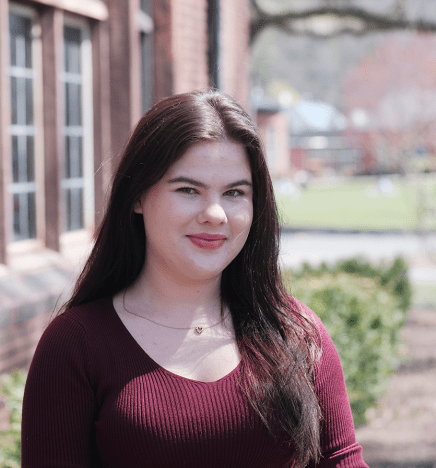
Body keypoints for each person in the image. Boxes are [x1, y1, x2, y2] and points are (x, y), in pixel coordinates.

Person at [21, 90, 368, 468]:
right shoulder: (74, 346)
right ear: (137, 196)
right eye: (188, 190)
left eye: (235, 192)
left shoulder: (296, 332)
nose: (215, 213)